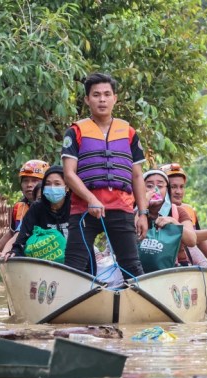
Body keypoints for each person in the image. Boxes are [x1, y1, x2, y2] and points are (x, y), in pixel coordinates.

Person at [62, 72, 148, 277]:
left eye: (107, 94)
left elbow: (137, 177)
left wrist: (143, 213)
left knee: (132, 266)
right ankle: (67, 304)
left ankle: (139, 306)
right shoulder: (75, 132)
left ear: (114, 98)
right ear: (87, 99)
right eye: (96, 95)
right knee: (74, 265)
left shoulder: (128, 132)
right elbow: (68, 174)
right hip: (84, 209)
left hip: (121, 207)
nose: (102, 99)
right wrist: (91, 199)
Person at [161, 163, 207, 271]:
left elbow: (199, 240)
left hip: (189, 266)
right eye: (173, 187)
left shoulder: (188, 210)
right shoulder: (156, 210)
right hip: (167, 266)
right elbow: (188, 238)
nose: (178, 192)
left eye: (181, 187)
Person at [0, 159, 48, 270]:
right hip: (21, 259)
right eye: (25, 181)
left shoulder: (52, 206)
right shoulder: (19, 207)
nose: (29, 185)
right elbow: (13, 233)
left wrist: (3, 254)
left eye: (34, 180)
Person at [8, 165, 71, 258]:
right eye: (48, 184)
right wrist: (14, 251)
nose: (52, 187)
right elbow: (22, 236)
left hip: (74, 262)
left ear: (67, 187)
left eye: (57, 184)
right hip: (43, 264)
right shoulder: (36, 208)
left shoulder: (75, 207)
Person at [141, 169, 197, 268]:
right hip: (139, 272)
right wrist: (143, 207)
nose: (155, 190)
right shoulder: (133, 213)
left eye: (160, 186)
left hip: (171, 271)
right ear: (140, 189)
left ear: (167, 190)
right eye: (149, 186)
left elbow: (192, 241)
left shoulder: (178, 212)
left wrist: (174, 222)